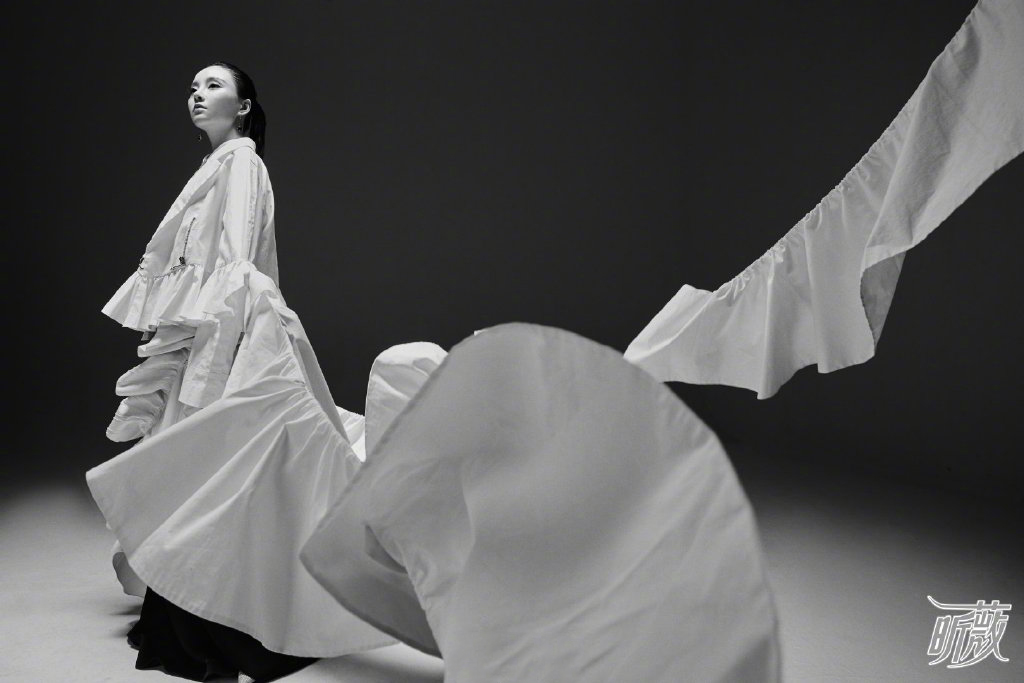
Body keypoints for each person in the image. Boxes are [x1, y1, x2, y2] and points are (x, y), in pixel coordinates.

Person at [93, 61, 391, 683]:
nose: (197, 95)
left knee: (217, 462)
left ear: (245, 106)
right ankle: (201, 604)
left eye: (213, 86)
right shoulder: (218, 165)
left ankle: (219, 615)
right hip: (209, 330)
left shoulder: (241, 162)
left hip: (226, 331)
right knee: (204, 464)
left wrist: (221, 345)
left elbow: (237, 261)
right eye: (192, 88)